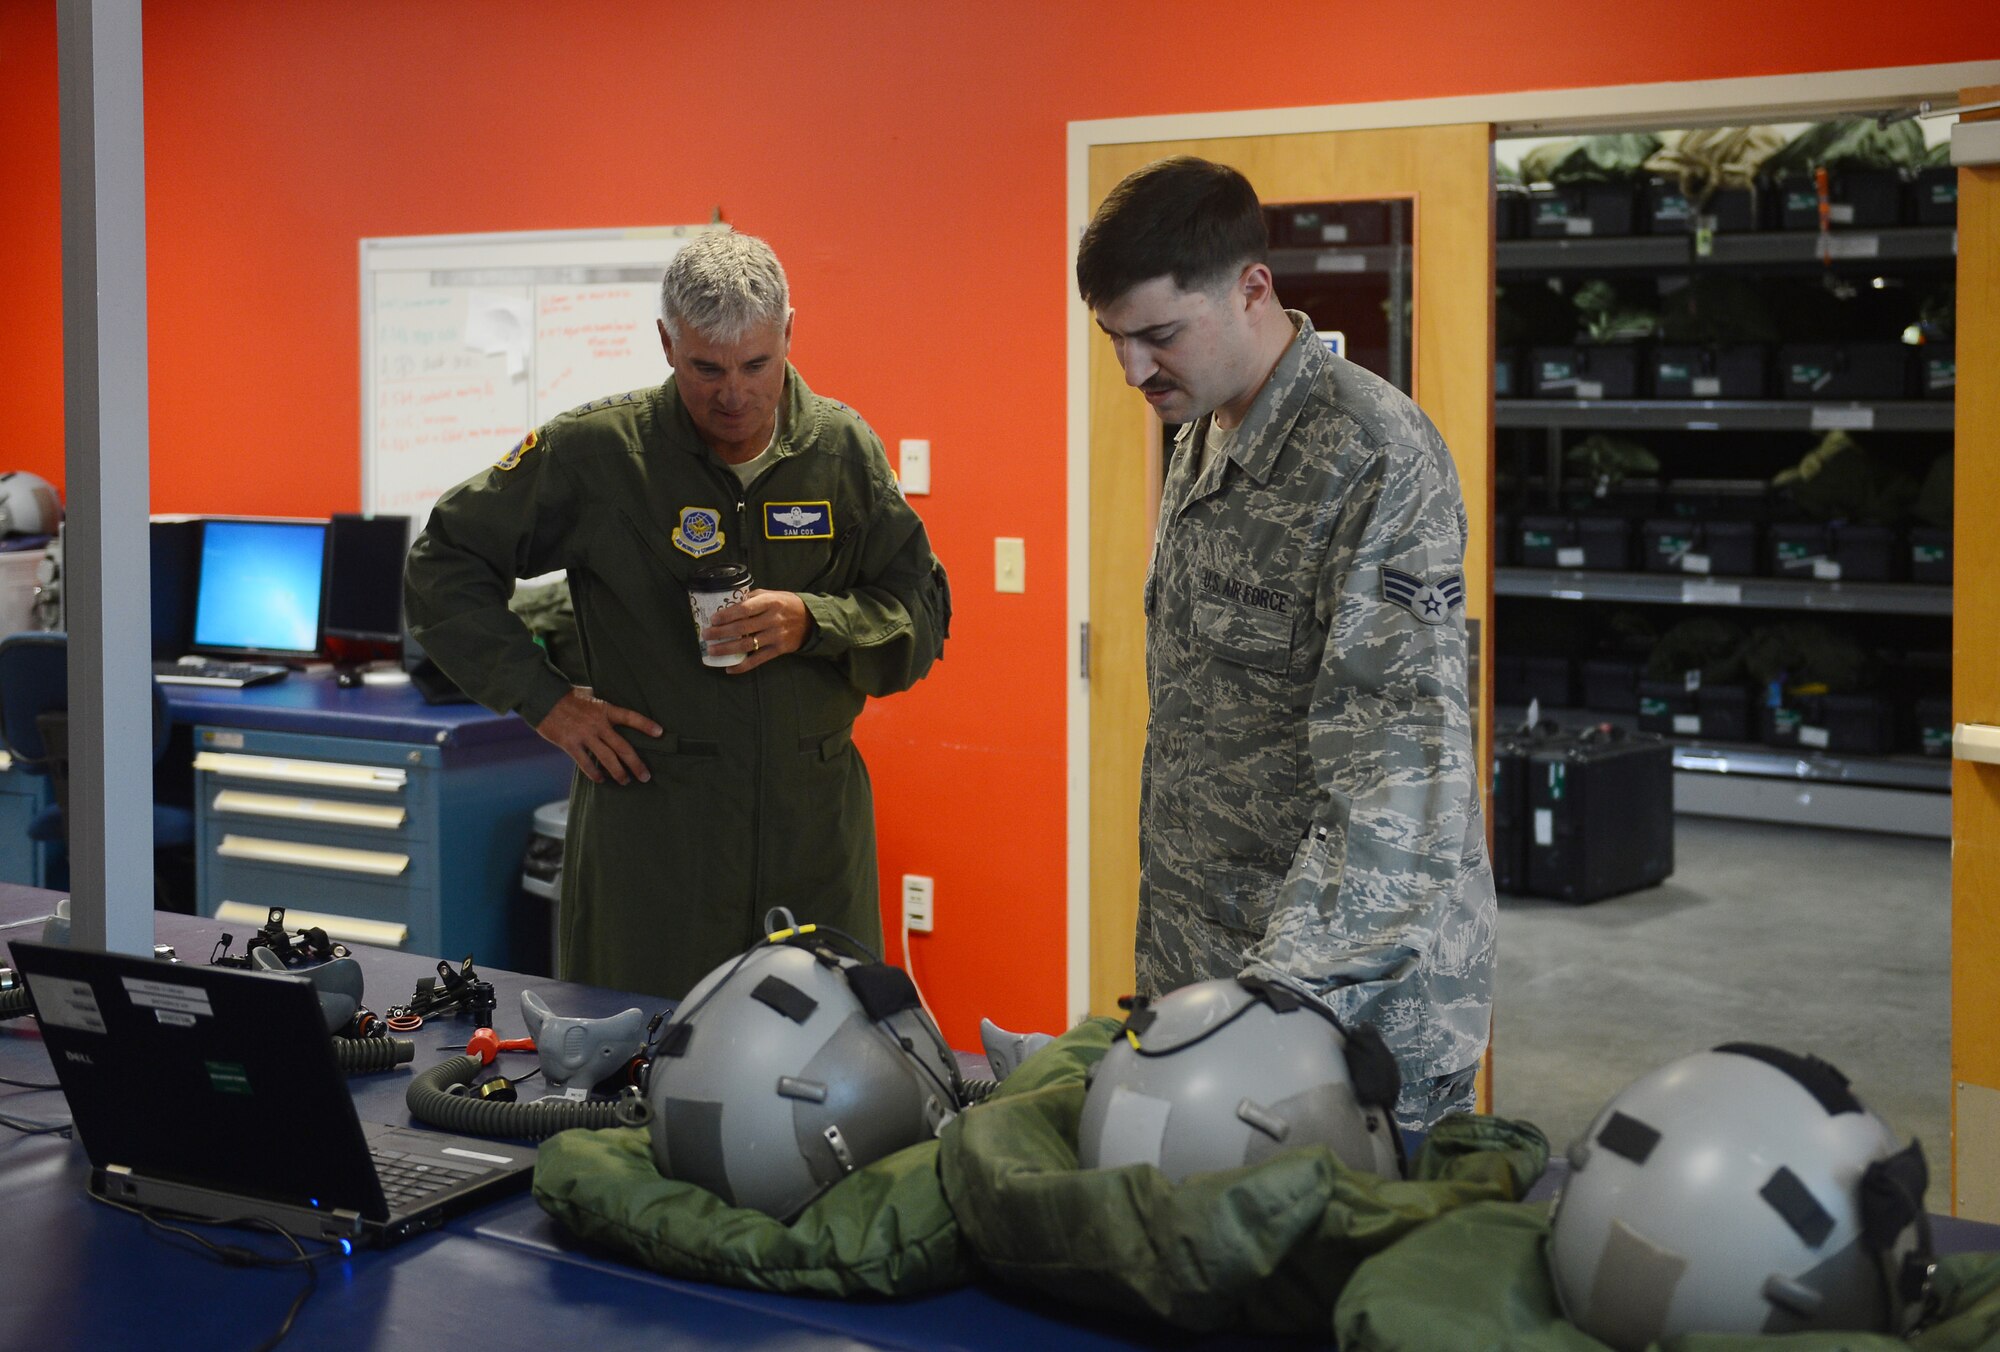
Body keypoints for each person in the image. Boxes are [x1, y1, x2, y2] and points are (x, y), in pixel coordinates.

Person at [405, 231, 950, 999]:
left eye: (756, 364)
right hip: (653, 847)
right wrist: (546, 702)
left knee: (824, 1069)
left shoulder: (843, 453)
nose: (734, 393)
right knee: (635, 1072)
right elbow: (443, 563)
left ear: (790, 331)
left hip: (812, 834)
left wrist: (812, 619)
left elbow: (920, 615)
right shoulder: (599, 453)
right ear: (666, 343)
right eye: (707, 368)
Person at [1076, 157, 1494, 1128]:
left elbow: (1394, 775)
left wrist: (1271, 1010)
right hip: (1207, 972)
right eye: (1113, 339)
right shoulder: (1203, 428)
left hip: (1332, 1012)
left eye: (1157, 335)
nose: (1131, 370)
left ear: (1252, 287)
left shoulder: (1373, 456)